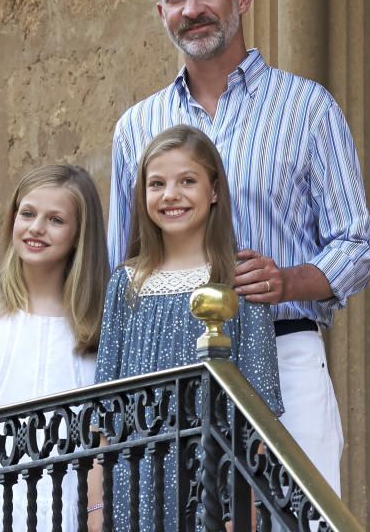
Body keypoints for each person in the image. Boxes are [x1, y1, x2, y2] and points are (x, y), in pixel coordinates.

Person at [107, 0, 370, 501]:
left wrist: (286, 281)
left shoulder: (307, 107)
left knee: (298, 514)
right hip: (167, 364)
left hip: (285, 347)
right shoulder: (136, 126)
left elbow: (355, 243)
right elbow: (122, 254)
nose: (192, 9)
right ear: (161, 12)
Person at [96, 125, 283, 530]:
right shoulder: (125, 283)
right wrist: (98, 508)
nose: (170, 195)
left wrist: (244, 511)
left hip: (215, 482)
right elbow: (105, 413)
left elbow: (257, 413)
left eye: (187, 181)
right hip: (137, 480)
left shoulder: (238, 279)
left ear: (214, 189)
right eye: (157, 183)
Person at [0, 164, 109, 532]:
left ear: (78, 235)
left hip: (74, 498)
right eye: (28, 213)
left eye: (56, 219)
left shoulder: (100, 323)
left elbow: (103, 430)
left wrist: (95, 511)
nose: (36, 227)